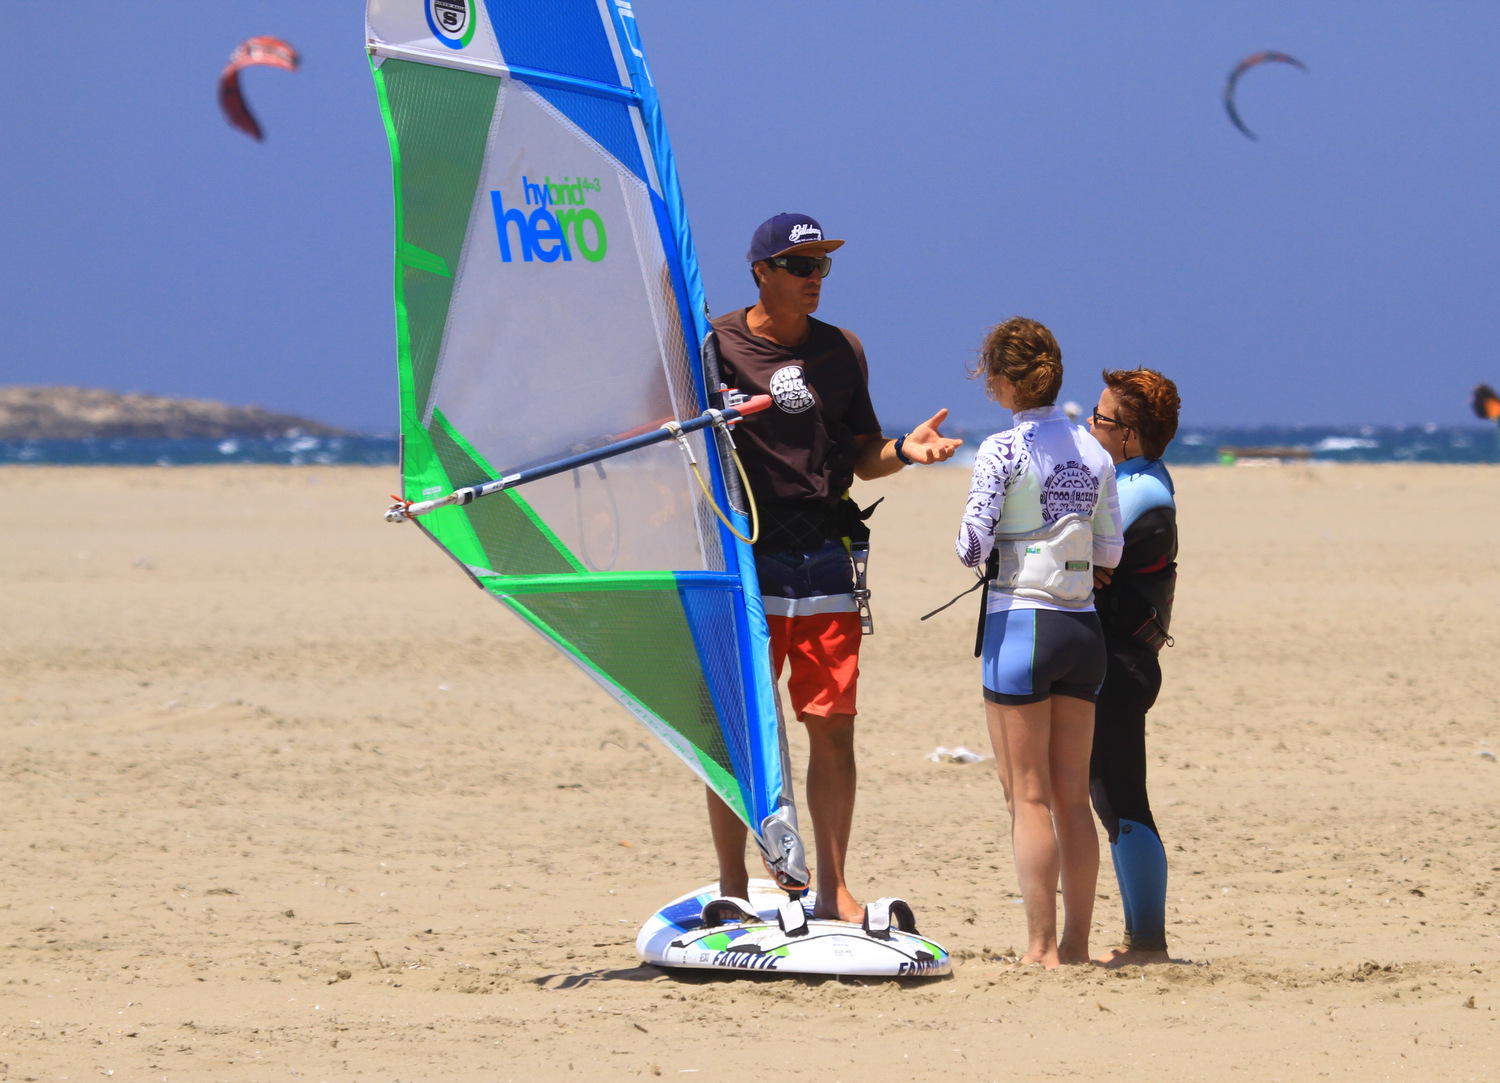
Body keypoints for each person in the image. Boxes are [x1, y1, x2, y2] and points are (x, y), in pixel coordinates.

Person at [704, 213, 961, 922]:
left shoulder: (843, 349)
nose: (814, 277)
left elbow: (862, 454)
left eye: (821, 265)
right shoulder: (714, 346)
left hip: (824, 556)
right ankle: (732, 884)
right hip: (743, 555)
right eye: (800, 265)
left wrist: (904, 452)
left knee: (832, 725)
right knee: (738, 731)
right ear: (762, 271)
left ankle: (834, 887)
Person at [955, 317, 1122, 967]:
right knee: (1072, 798)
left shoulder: (1001, 450)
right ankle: (1077, 946)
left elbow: (971, 546)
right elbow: (1110, 551)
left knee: (1026, 797)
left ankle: (1041, 947)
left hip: (1021, 624)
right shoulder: (1094, 451)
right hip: (1083, 627)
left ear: (1002, 381)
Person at [1085, 368, 1182, 966]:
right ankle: (1140, 938)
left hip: (1122, 667)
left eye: (1100, 418)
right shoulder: (1130, 479)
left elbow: (1080, 559)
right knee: (1111, 798)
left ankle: (1148, 942)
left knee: (1121, 799)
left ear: (1129, 434)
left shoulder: (1140, 492)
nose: (1089, 423)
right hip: (1120, 659)